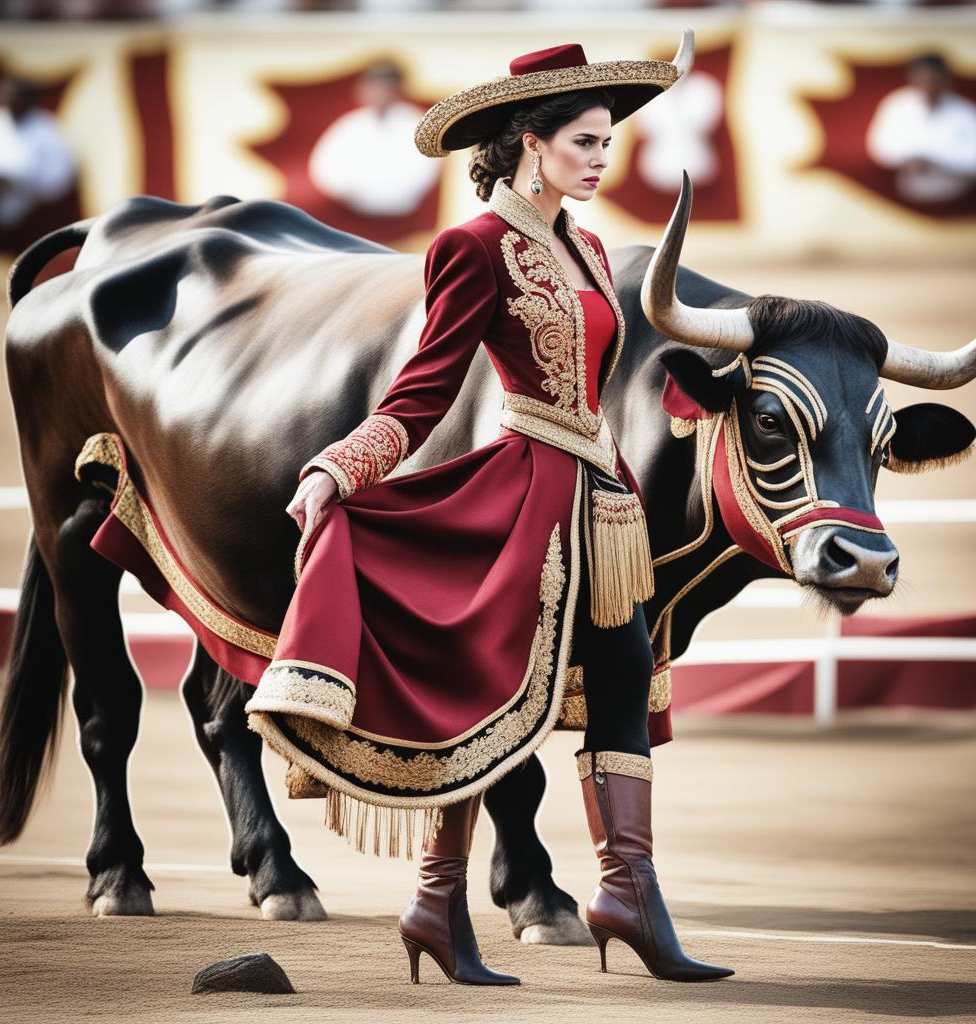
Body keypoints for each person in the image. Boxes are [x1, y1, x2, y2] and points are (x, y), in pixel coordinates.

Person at [243, 38, 734, 986]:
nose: (602, 158)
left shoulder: (586, 246)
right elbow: (421, 393)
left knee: (627, 672)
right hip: (522, 503)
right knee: (495, 705)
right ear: (528, 142)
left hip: (602, 499)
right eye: (586, 142)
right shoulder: (471, 247)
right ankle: (436, 898)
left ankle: (626, 892)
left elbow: (592, 383)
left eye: (606, 143)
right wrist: (339, 469)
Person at [307, 60, 441, 217]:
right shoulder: (351, 124)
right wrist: (352, 191)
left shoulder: (418, 125)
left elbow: (421, 174)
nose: (377, 94)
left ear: (397, 91)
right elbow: (326, 168)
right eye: (372, 88)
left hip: (402, 212)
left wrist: (381, 192)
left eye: (383, 88)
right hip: (350, 211)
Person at [866, 52, 976, 205]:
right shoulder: (896, 105)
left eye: (934, 80)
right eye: (921, 80)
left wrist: (933, 162)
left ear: (947, 80)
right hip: (906, 189)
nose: (928, 87)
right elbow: (880, 148)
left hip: (957, 190)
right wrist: (911, 160)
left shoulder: (969, 113)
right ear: (911, 79)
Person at [0, 75, 77, 233]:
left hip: (31, 214)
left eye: (15, 97)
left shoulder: (47, 129)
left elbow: (60, 179)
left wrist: (18, 182)